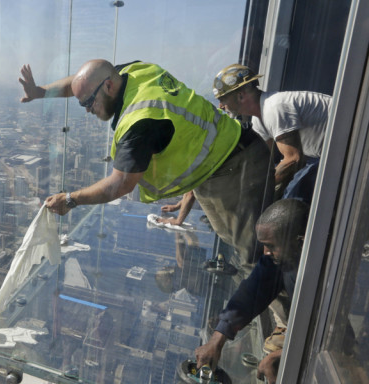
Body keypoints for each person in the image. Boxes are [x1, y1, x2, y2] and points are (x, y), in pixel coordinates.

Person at [20, 59, 273, 268]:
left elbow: (118, 185)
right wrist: (41, 92)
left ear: (108, 86)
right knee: (246, 245)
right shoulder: (134, 71)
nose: (87, 110)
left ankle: (287, 317)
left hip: (235, 170)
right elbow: (81, 81)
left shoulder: (139, 122)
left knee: (259, 255)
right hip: (224, 160)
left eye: (88, 103)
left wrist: (70, 199)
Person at [194, 199, 309, 383]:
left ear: (301, 242)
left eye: (271, 246)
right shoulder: (285, 258)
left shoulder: (331, 277)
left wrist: (280, 355)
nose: (265, 252)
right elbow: (255, 287)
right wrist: (218, 338)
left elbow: (331, 338)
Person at [213, 64, 330, 203]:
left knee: (293, 199)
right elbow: (264, 161)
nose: (220, 106)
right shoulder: (260, 119)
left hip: (346, 149)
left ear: (240, 95)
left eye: (222, 99)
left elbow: (293, 159)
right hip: (325, 157)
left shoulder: (274, 108)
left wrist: (253, 190)